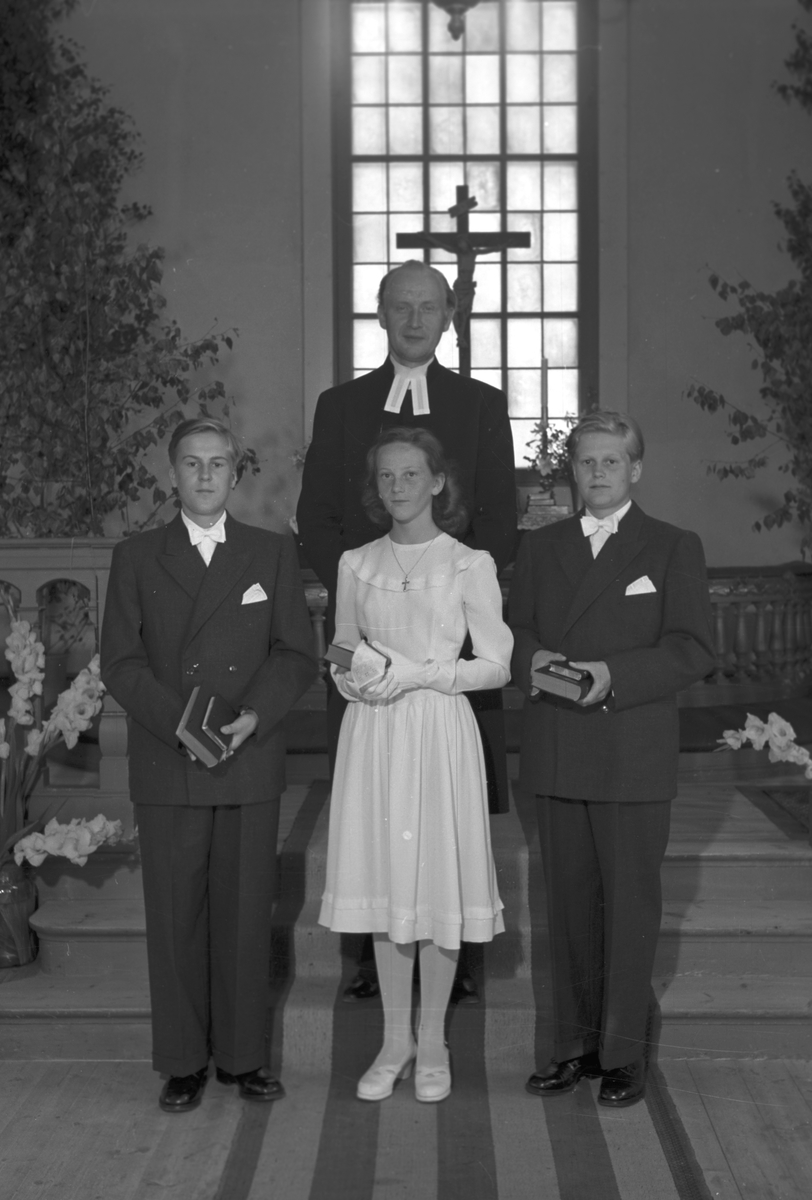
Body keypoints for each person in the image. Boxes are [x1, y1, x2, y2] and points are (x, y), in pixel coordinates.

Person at [297, 258, 517, 1001]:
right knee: (372, 799)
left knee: (450, 802)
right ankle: (369, 958)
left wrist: (446, 603)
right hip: (368, 638)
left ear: (448, 317)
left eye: (428, 307)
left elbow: (499, 518)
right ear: (382, 315)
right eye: (401, 306)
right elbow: (316, 516)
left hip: (448, 637)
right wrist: (366, 591)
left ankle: (460, 956)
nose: (415, 319)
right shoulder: (340, 405)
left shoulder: (481, 404)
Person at [101, 416, 318, 1114]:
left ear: (234, 474)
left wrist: (255, 714)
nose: (203, 475)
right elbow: (120, 663)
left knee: (246, 914)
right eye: (191, 463)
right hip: (169, 761)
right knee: (175, 919)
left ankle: (243, 1058)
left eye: (217, 463)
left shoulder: (270, 553)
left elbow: (295, 654)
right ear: (172, 474)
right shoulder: (137, 556)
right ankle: (182, 1061)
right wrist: (178, 724)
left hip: (246, 757)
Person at [508, 409, 714, 1108]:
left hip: (630, 749)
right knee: (567, 908)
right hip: (559, 745)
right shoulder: (541, 547)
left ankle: (623, 1053)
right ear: (572, 470)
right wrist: (534, 661)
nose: (597, 473)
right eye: (586, 461)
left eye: (610, 461)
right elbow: (516, 631)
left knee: (628, 908)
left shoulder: (672, 546)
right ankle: (570, 1047)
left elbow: (692, 648)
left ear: (635, 468)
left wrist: (613, 675)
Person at [317, 426, 512, 1103]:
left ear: (437, 482)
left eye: (410, 474)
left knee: (436, 887)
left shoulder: (467, 563)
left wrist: (421, 674)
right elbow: (341, 647)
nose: (398, 486)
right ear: (375, 488)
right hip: (374, 733)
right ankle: (393, 1041)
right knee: (387, 886)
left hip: (438, 730)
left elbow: (496, 665)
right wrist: (355, 680)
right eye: (386, 476)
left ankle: (432, 1044)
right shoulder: (355, 563)